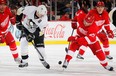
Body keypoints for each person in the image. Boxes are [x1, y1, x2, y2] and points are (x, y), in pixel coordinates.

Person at [16, 5, 50, 69]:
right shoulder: (31, 9)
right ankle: (25, 61)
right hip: (26, 28)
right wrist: (18, 21)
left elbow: (41, 32)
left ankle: (42, 60)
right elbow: (19, 10)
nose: (42, 16)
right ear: (37, 11)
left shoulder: (44, 19)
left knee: (41, 50)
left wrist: (33, 35)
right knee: (23, 41)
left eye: (43, 15)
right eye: (41, 14)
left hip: (37, 32)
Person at [0, 0, 27, 67]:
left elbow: (12, 20)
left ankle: (16, 58)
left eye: (4, 5)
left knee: (12, 43)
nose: (2, 6)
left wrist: (14, 16)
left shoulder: (7, 9)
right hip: (1, 32)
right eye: (1, 5)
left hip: (5, 32)